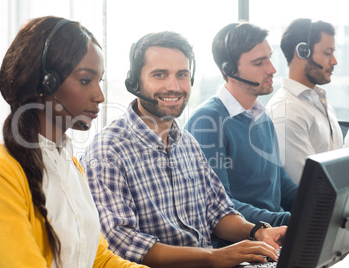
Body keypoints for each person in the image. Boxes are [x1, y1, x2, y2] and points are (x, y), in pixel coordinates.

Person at [82, 31, 286, 268]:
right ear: (134, 82)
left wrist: (258, 233)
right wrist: (216, 257)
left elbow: (219, 213)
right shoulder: (108, 151)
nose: (174, 86)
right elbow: (124, 245)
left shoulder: (187, 142)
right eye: (160, 75)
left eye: (182, 75)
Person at [0, 16, 147, 268]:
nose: (100, 96)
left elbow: (99, 259)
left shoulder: (69, 163)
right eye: (86, 81)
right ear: (44, 83)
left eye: (100, 81)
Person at [184, 23, 297, 229]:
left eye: (269, 58)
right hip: (243, 242)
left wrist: (322, 207)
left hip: (274, 234)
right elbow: (220, 206)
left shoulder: (261, 116)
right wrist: (287, 222)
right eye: (259, 62)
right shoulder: (207, 123)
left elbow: (281, 184)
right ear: (229, 70)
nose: (272, 68)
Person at [266, 18, 343, 184]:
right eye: (327, 53)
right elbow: (307, 185)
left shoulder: (320, 103)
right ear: (302, 51)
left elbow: (339, 169)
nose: (334, 61)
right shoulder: (286, 110)